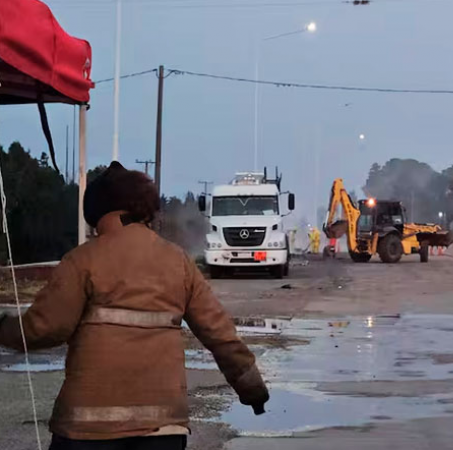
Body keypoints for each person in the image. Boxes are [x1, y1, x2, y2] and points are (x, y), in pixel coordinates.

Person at [0, 162, 268, 450]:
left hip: (87, 432)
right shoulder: (178, 262)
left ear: (96, 211)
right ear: (147, 209)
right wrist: (252, 389)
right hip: (163, 430)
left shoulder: (82, 260)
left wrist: (3, 328)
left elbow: (44, 327)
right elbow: (220, 334)